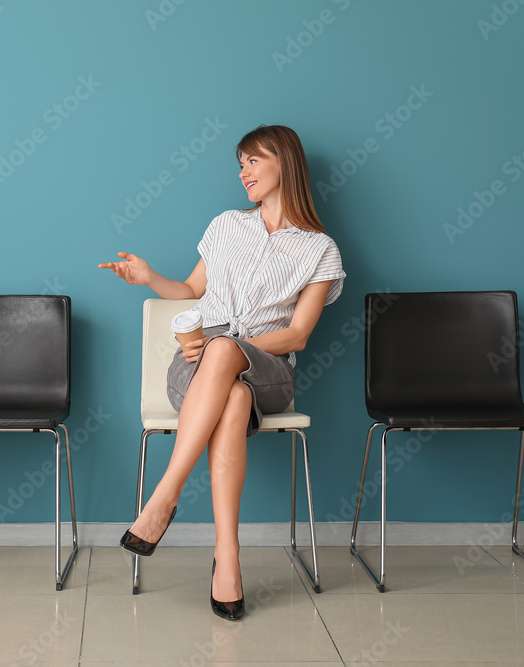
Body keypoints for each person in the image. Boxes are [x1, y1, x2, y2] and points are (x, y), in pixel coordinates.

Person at [99, 125, 344, 620]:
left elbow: (297, 336)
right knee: (231, 396)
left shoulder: (320, 249)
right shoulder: (226, 225)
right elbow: (190, 291)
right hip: (195, 372)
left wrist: (229, 344)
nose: (243, 172)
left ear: (286, 163)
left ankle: (163, 499)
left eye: (254, 160)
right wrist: (148, 278)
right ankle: (227, 560)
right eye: (241, 163)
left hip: (270, 373)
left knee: (230, 356)